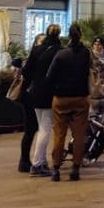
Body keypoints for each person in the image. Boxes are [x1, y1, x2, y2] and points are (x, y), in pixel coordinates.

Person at [45, 24, 91, 181]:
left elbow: (49, 77)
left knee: (59, 134)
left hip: (61, 98)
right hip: (80, 98)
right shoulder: (85, 53)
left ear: (68, 36)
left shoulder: (61, 54)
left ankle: (56, 169)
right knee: (78, 135)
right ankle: (75, 168)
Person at [22, 25, 61, 177]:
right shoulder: (58, 50)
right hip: (50, 94)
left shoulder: (37, 49)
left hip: (35, 93)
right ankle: (38, 163)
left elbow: (26, 71)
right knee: (45, 128)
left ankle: (41, 161)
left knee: (41, 126)